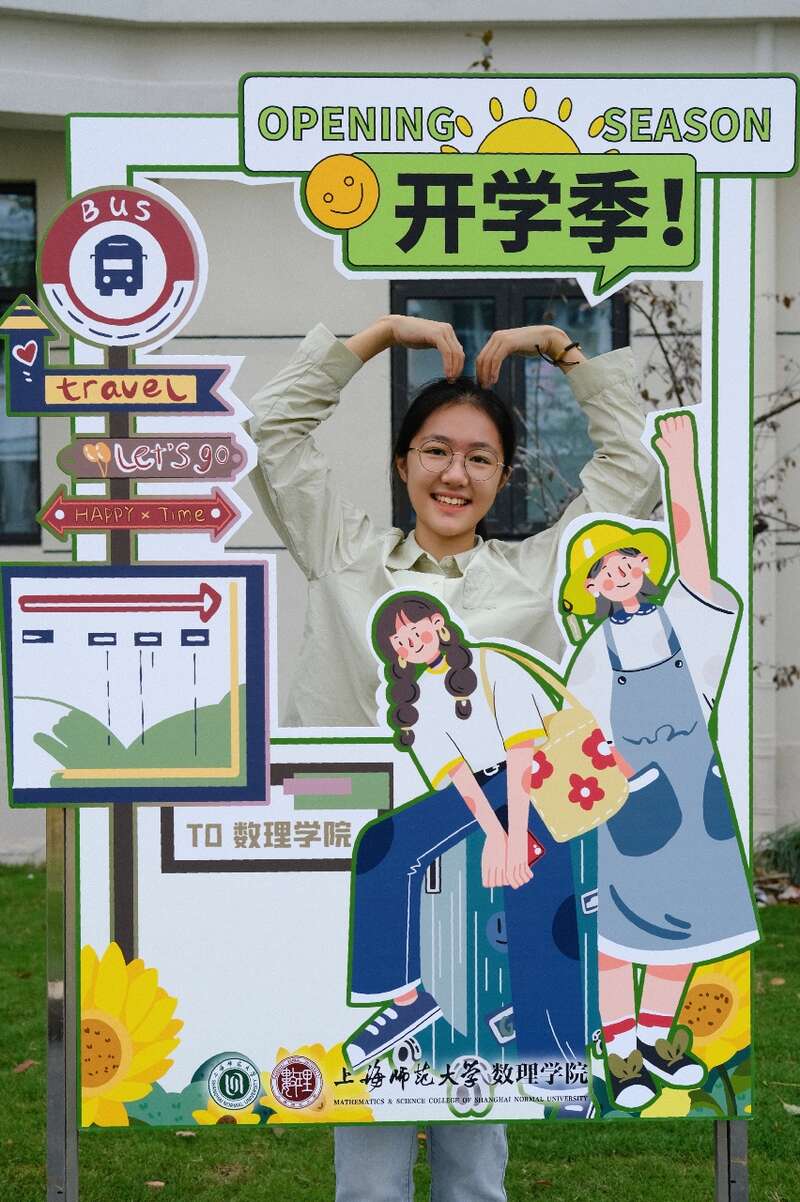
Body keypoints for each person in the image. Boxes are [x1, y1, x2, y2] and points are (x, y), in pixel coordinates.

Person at [249, 315, 658, 1202]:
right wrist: (375, 337)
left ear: (504, 478)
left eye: (479, 458)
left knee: (474, 1166)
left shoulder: (535, 574)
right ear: (402, 463)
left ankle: (535, 1043)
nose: (455, 474)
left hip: (499, 842)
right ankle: (400, 1005)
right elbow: (274, 431)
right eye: (436, 451)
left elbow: (632, 473)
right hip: (372, 842)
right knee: (369, 1170)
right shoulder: (345, 553)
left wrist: (568, 352)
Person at [560, 413, 759, 1113]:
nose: (617, 574)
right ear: (589, 589)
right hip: (634, 804)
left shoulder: (686, 622)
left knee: (688, 927)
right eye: (601, 571)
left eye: (626, 561)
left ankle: (653, 1039)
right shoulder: (593, 653)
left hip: (696, 799)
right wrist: (627, 783)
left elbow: (695, 555)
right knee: (622, 935)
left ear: (644, 565)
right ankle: (619, 1053)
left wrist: (680, 464)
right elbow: (577, 734)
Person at [346, 592, 586, 1086]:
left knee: (538, 901)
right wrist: (494, 835)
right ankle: (407, 1000)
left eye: (415, 628)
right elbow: (458, 777)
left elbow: (522, 753)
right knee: (381, 847)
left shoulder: (492, 664)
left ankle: (561, 1065)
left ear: (439, 623)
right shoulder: (412, 703)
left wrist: (514, 839)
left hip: (533, 778)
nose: (411, 641)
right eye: (399, 640)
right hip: (477, 791)